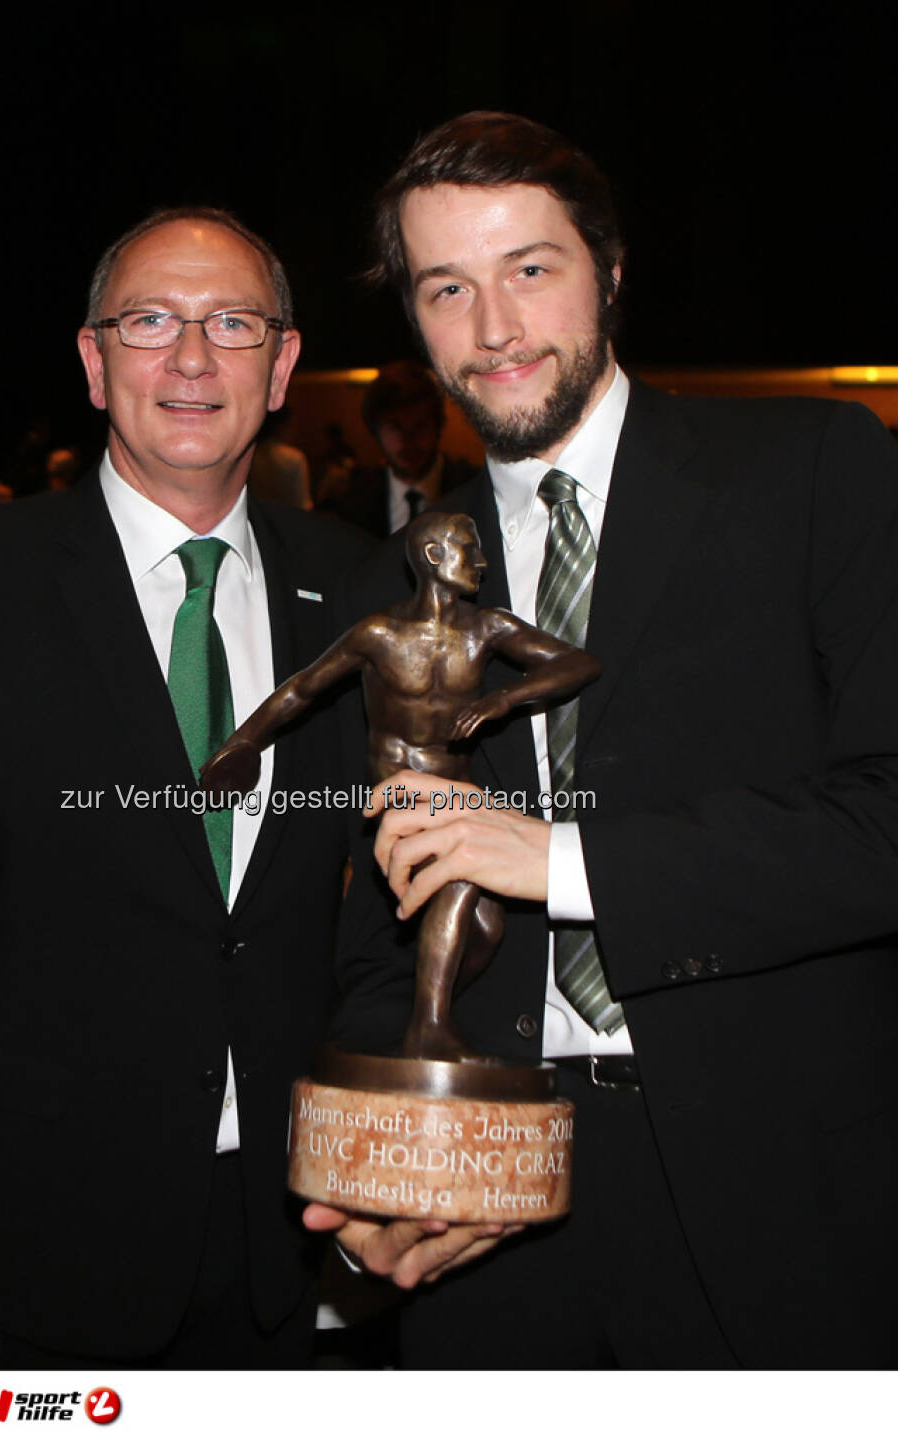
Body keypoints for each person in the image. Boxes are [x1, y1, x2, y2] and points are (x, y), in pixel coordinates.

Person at [313, 111, 898, 1369]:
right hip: (492, 1206)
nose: (496, 329)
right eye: (447, 289)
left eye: (532, 269)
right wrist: (390, 1169)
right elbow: (380, 911)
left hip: (777, 1192)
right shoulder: (395, 576)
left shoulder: (812, 473)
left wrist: (566, 864)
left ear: (611, 270)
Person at [0, 206, 370, 1370]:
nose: (187, 358)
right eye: (149, 322)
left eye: (230, 324)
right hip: (34, 1243)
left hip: (293, 1238)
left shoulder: (351, 586)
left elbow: (366, 914)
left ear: (280, 369)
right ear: (92, 360)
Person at [203, 509, 600, 1060]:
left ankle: (425, 1012)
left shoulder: (487, 630)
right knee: (462, 877)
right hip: (397, 797)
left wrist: (503, 698)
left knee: (486, 929)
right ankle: (429, 1026)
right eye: (468, 549)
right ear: (434, 557)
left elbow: (579, 663)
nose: (481, 562)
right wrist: (245, 741)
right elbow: (303, 689)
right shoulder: (379, 634)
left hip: (459, 802)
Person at [318, 361, 472, 535]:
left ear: (438, 426)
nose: (407, 441)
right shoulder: (355, 501)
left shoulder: (473, 491)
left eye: (419, 426)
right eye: (394, 428)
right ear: (375, 432)